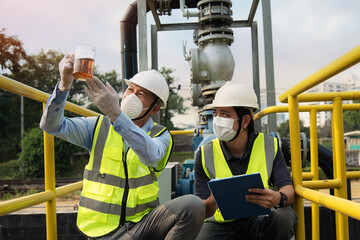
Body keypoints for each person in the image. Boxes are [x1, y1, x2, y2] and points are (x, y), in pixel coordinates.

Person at [40, 55, 205, 239]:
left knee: (193, 206)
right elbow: (51, 126)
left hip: (143, 225)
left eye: (140, 94)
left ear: (155, 109)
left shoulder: (161, 135)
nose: (131, 96)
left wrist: (116, 114)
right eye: (130, 89)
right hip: (102, 233)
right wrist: (63, 86)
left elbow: (152, 155)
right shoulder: (97, 126)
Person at [194, 81, 297, 240]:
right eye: (215, 113)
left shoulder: (269, 146)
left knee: (284, 216)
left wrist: (278, 197)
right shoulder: (204, 153)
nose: (217, 119)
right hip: (222, 224)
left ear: (245, 121)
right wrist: (211, 202)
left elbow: (288, 189)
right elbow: (202, 207)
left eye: (225, 114)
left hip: (261, 218)